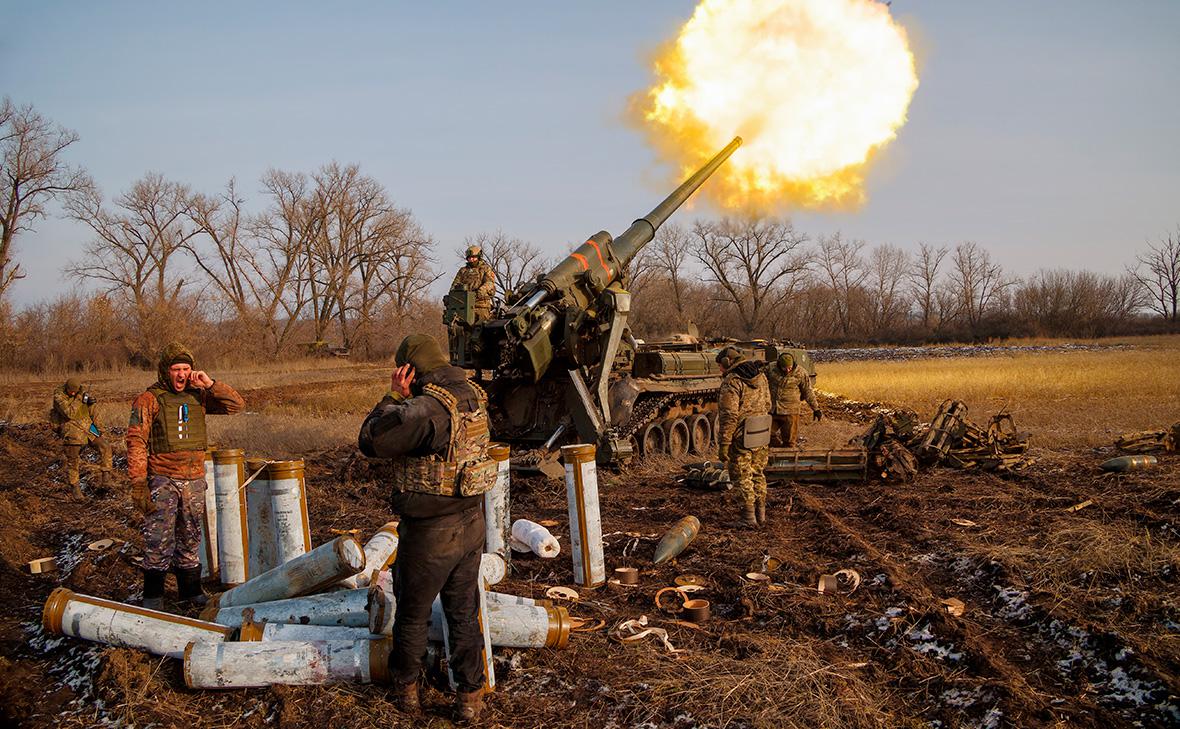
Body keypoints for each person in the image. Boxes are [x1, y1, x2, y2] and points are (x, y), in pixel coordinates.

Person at [358, 334, 496, 723]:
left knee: (413, 614)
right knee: (463, 611)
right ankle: (469, 696)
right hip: (472, 520)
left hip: (432, 530)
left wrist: (393, 397)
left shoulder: (424, 408)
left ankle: (407, 694)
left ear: (410, 370)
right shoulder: (472, 395)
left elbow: (372, 441)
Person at [126, 343, 243, 611]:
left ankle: (190, 592)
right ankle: (153, 597)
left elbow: (235, 405)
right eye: (176, 369)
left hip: (193, 479)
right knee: (158, 538)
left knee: (191, 536)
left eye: (186, 369)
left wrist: (209, 383)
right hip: (162, 479)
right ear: (165, 371)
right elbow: (136, 441)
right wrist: (138, 483)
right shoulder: (149, 399)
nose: (181, 374)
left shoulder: (199, 396)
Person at [715, 347, 772, 528]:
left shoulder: (732, 381)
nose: (720, 371)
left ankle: (748, 518)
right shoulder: (761, 377)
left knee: (741, 476)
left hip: (742, 436)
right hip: (761, 432)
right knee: (757, 473)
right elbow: (769, 403)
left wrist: (724, 443)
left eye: (720, 366)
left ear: (726, 362)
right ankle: (761, 515)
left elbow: (729, 415)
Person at [50, 377, 113, 501]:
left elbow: (93, 412)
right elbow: (69, 413)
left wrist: (100, 428)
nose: (73, 393)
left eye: (75, 391)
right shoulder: (59, 397)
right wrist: (80, 399)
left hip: (88, 429)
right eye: (71, 391)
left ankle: (106, 478)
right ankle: (76, 489)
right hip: (71, 431)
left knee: (105, 447)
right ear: (66, 388)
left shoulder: (83, 395)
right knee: (73, 462)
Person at [766, 352, 822, 447]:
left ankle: (787, 458)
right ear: (779, 365)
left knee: (789, 442)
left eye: (790, 367)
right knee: (766, 435)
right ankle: (776, 452)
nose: (788, 370)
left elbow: (808, 391)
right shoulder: (770, 368)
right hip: (772, 410)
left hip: (790, 411)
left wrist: (816, 409)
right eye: (785, 368)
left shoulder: (801, 372)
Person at [448, 245, 496, 323]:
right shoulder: (463, 271)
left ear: (478, 257)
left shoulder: (485, 269)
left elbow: (489, 282)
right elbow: (455, 285)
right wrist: (452, 296)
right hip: (464, 305)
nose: (471, 260)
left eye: (473, 257)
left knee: (481, 327)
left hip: (480, 305)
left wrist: (480, 291)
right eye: (469, 258)